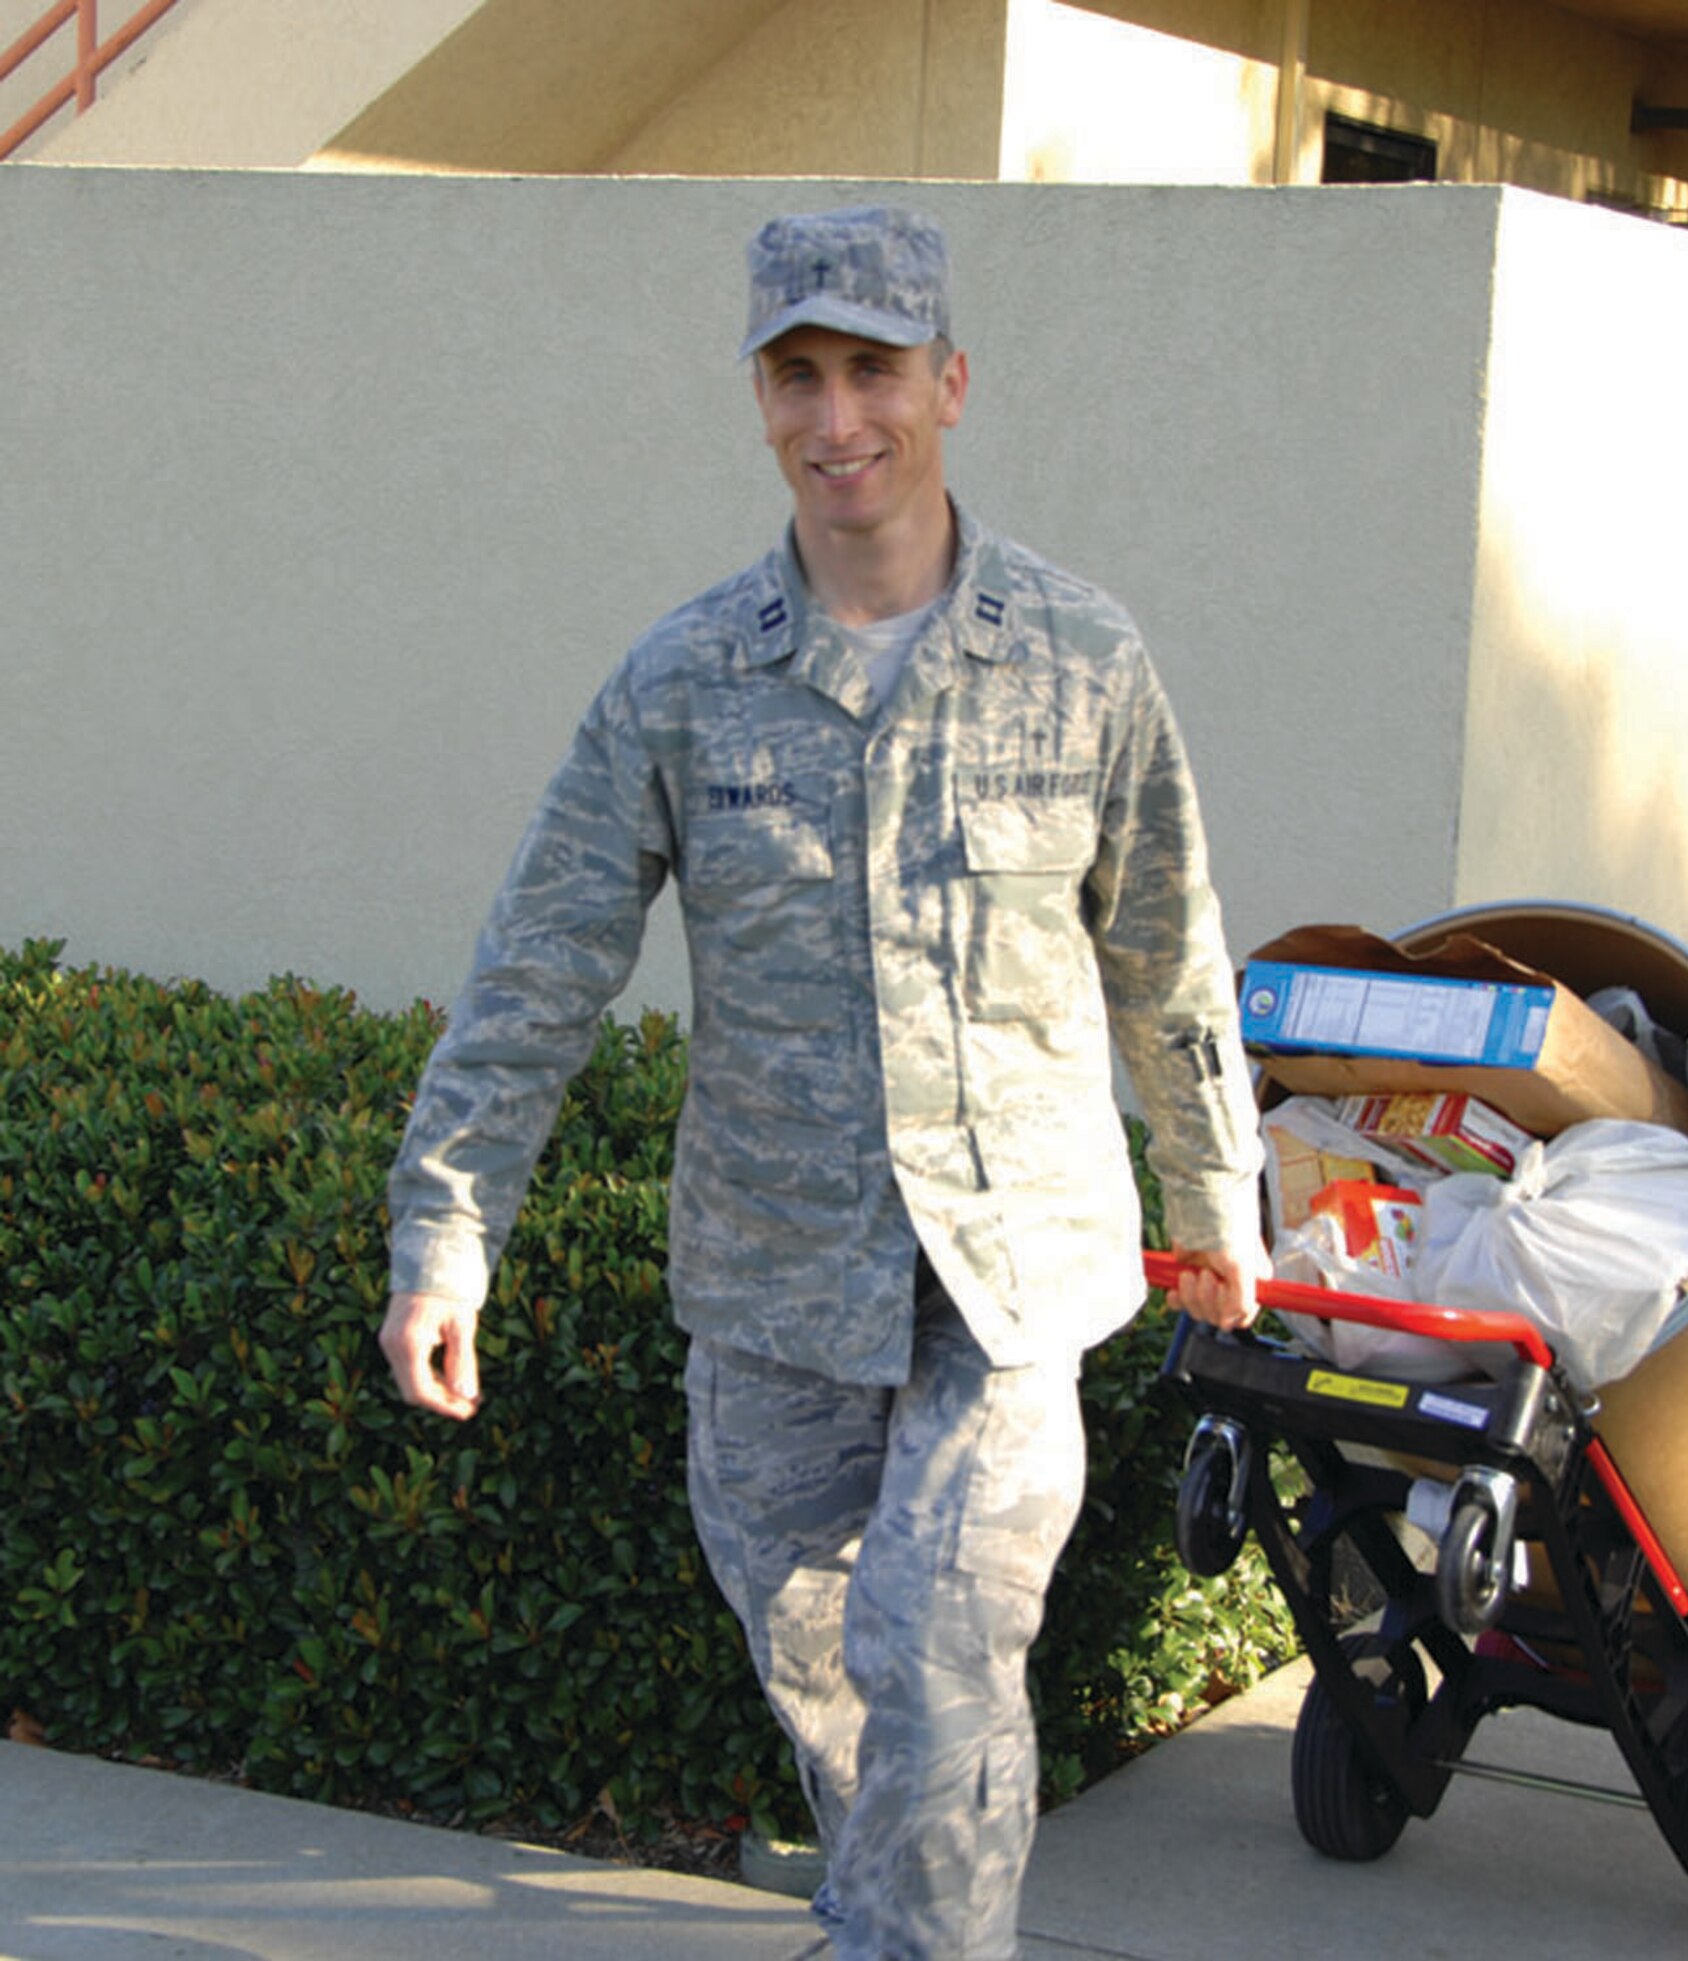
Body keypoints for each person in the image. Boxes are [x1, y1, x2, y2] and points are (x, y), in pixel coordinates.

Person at [379, 204, 1266, 1958]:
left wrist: (1214, 1194)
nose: (837, 414)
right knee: (820, 1661)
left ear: (950, 382)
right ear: (762, 401)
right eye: (800, 373)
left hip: (1008, 1280)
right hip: (775, 1273)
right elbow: (539, 966)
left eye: (873, 368)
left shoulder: (1082, 660)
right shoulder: (683, 683)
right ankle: (900, 1906)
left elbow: (1168, 952)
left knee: (938, 1656)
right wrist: (447, 1231)